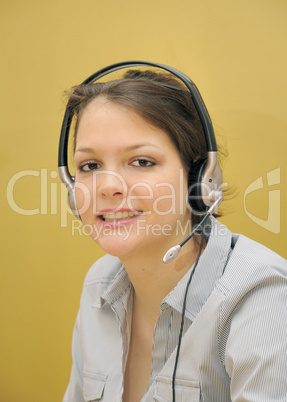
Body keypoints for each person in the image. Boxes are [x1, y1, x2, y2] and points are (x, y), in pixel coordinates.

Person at [61, 66, 287, 402]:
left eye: (141, 162)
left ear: (200, 180)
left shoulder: (264, 296)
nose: (108, 187)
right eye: (90, 166)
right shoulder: (99, 284)